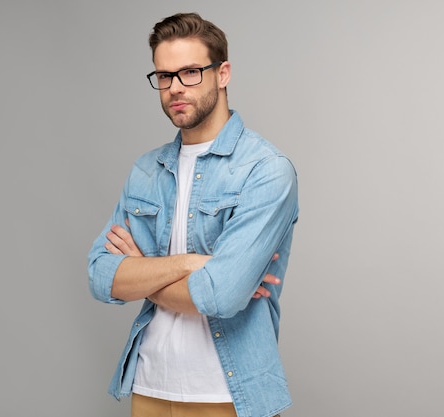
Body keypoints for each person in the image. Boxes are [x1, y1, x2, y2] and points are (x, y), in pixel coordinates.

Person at [87, 12, 299, 417]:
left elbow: (221, 294)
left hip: (226, 394)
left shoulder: (266, 170)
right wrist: (187, 264)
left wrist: (141, 271)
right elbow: (100, 276)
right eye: (164, 76)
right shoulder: (146, 172)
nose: (175, 88)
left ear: (223, 74)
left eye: (190, 72)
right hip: (148, 386)